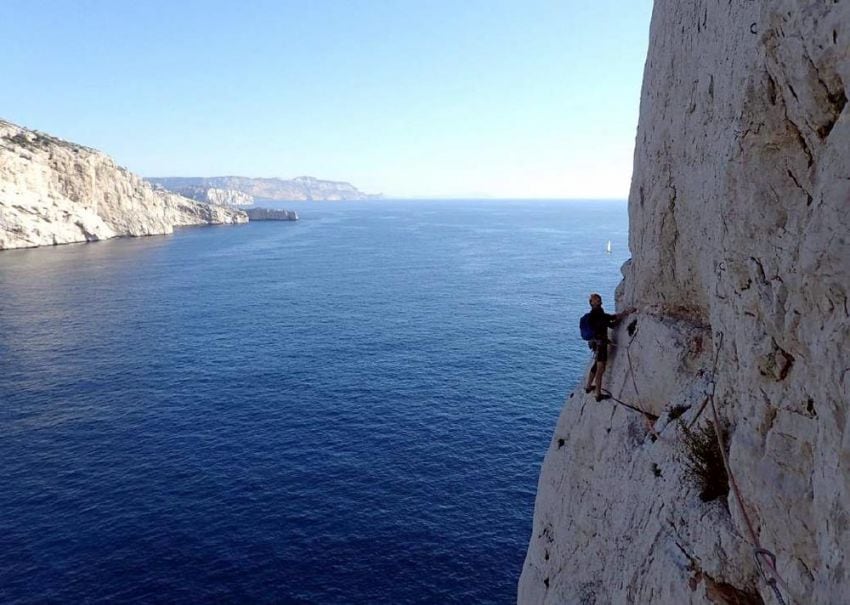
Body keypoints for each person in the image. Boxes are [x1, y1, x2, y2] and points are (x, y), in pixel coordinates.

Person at [584, 293, 625, 402]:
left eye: (598, 298)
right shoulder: (597, 313)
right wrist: (623, 316)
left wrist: (618, 316)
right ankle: (598, 394)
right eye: (596, 299)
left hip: (596, 343)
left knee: (595, 366)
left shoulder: (596, 313)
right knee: (600, 369)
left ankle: (588, 386)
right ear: (592, 303)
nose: (598, 300)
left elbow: (607, 319)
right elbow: (610, 323)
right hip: (601, 345)